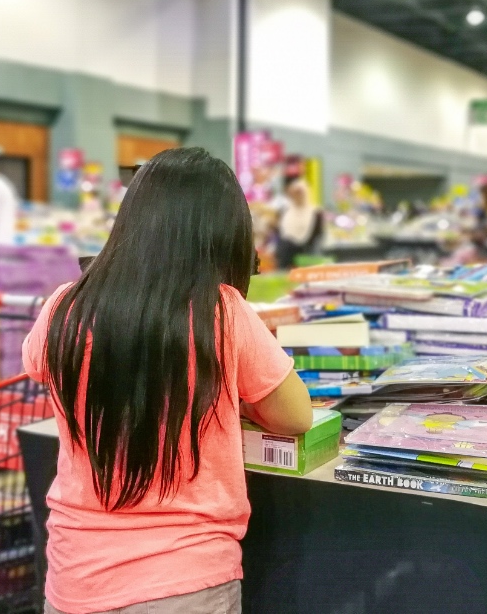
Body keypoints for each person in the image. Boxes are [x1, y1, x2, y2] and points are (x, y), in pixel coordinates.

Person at [22, 147, 312, 614]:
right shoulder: (222, 312)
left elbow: (44, 369)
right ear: (225, 236)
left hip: (74, 576)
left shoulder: (63, 306)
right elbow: (296, 416)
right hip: (186, 579)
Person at [275, 177, 322, 268]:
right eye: (294, 193)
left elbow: (316, 239)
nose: (297, 196)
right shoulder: (285, 211)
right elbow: (282, 234)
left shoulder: (316, 213)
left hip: (306, 255)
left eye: (299, 192)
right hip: (286, 257)